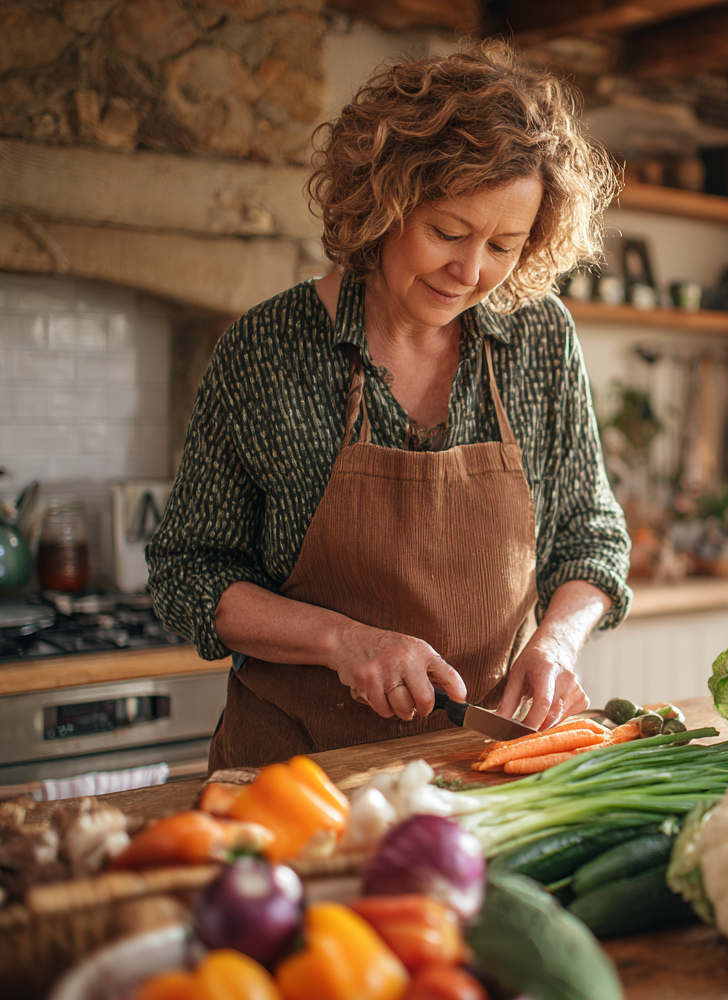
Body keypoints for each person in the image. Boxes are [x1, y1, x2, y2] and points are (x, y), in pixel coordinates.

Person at [147, 42, 632, 770]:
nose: (471, 273)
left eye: (504, 245)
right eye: (448, 232)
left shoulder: (537, 338)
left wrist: (556, 641)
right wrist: (344, 642)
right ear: (385, 201)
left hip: (477, 765)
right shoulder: (268, 349)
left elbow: (591, 539)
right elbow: (190, 572)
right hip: (293, 772)